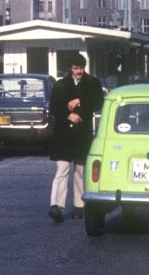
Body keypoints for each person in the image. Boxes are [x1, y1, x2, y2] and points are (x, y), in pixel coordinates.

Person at [47, 53, 104, 222]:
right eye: (75, 68)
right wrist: (68, 115)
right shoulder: (60, 85)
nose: (79, 71)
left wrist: (80, 100)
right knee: (62, 169)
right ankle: (56, 206)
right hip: (64, 134)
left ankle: (80, 205)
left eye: (81, 68)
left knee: (81, 170)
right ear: (70, 68)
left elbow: (99, 102)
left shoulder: (93, 83)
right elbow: (54, 107)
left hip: (82, 134)